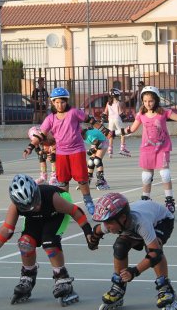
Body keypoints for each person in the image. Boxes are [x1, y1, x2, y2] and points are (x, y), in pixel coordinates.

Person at [0, 174, 98, 306]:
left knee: (49, 243)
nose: (34, 208)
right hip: (35, 219)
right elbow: (6, 230)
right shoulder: (16, 206)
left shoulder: (53, 198)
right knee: (25, 243)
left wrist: (88, 233)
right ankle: (27, 276)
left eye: (34, 203)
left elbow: (76, 211)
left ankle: (62, 278)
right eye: (27, 207)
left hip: (55, 214)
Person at [89, 192, 177, 310]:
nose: (106, 226)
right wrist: (93, 242)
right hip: (136, 222)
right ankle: (119, 286)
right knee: (120, 247)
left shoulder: (141, 222)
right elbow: (97, 230)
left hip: (162, 221)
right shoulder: (113, 222)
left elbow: (155, 253)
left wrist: (134, 271)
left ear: (122, 217)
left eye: (108, 222)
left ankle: (165, 287)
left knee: (154, 249)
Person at [112, 86, 177, 213]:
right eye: (145, 101)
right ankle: (145, 199)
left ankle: (169, 201)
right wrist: (114, 133)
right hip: (147, 149)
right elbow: (131, 129)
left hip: (162, 147)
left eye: (150, 101)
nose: (148, 104)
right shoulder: (141, 114)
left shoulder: (164, 112)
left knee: (165, 174)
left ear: (156, 100)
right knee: (146, 176)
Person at [23, 87, 98, 215]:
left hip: (77, 151)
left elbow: (89, 119)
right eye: (57, 102)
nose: (60, 105)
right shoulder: (50, 118)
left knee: (82, 180)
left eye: (62, 102)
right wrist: (30, 147)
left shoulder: (74, 112)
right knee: (63, 182)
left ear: (66, 101)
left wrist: (103, 129)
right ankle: (64, 205)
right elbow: (40, 135)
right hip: (61, 153)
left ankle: (88, 201)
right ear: (53, 102)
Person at [103, 88, 131, 158]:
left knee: (111, 134)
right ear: (117, 95)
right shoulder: (118, 103)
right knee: (123, 132)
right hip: (117, 119)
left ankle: (110, 150)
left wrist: (103, 118)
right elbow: (120, 113)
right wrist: (125, 117)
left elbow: (105, 113)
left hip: (111, 120)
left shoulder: (108, 103)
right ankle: (122, 148)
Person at [81, 126, 109, 190]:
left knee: (97, 160)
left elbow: (99, 145)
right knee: (91, 161)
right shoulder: (83, 136)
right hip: (95, 142)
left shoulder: (89, 136)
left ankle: (102, 181)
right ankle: (88, 180)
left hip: (102, 141)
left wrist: (92, 150)